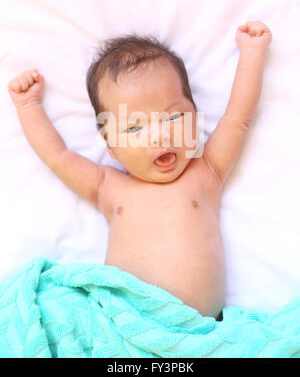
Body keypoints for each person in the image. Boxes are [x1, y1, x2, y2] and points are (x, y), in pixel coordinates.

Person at [7, 20, 272, 320]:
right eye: (134, 126)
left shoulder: (207, 170)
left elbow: (238, 118)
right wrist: (28, 106)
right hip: (123, 330)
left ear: (195, 116)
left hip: (201, 333)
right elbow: (57, 156)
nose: (160, 135)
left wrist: (252, 53)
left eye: (173, 117)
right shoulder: (108, 186)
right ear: (111, 145)